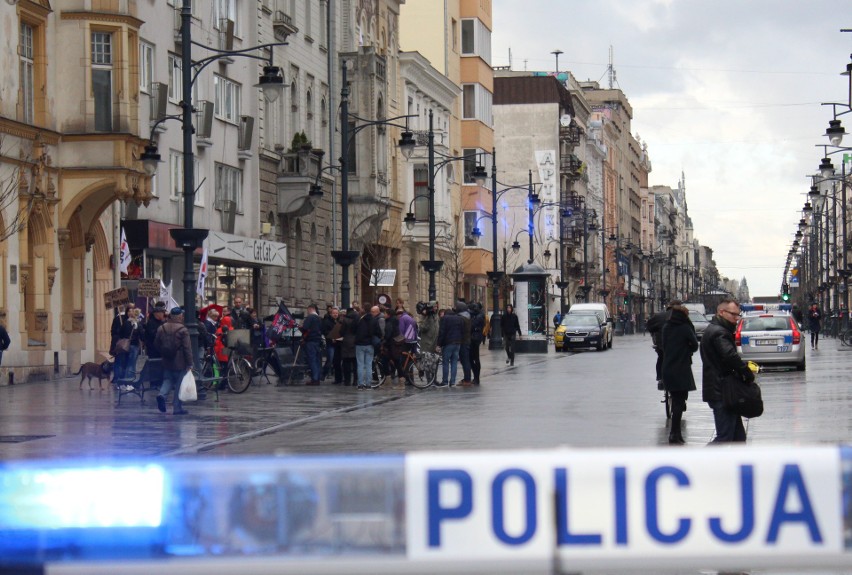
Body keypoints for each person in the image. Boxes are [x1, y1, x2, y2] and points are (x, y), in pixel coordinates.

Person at [700, 297, 754, 443]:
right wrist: (746, 372)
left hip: (723, 389)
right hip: (722, 390)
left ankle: (737, 464)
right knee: (724, 437)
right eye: (733, 314)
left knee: (738, 438)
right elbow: (730, 356)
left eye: (738, 315)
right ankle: (698, 463)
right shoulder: (720, 333)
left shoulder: (717, 329)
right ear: (722, 312)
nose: (737, 318)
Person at [661, 301, 698, 445]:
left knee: (676, 401)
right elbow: (694, 345)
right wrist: (686, 350)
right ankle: (674, 434)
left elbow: (664, 346)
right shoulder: (685, 328)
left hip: (668, 368)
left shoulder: (666, 327)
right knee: (679, 403)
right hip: (682, 368)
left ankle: (675, 434)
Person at [154, 307, 192, 415]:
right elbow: (187, 348)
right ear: (180, 316)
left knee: (168, 380)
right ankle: (177, 408)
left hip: (166, 360)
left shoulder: (162, 328)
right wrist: (190, 363)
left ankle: (162, 394)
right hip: (180, 361)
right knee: (179, 384)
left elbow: (156, 343)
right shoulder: (183, 330)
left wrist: (163, 352)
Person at [354, 305, 382, 389]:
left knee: (360, 365)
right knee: (369, 365)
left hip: (359, 344)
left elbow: (353, 329)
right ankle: (368, 384)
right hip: (370, 344)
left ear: (363, 310)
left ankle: (360, 384)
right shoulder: (374, 320)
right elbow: (379, 332)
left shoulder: (359, 319)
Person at [436, 306, 464, 387]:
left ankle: (445, 381)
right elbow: (462, 331)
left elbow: (442, 332)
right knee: (454, 362)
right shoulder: (459, 318)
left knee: (445, 362)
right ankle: (452, 382)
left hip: (448, 343)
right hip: (457, 343)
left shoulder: (444, 318)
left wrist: (439, 344)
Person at [645, 308, 670, 389]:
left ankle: (660, 378)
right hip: (677, 345)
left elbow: (649, 326)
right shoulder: (682, 316)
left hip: (661, 343)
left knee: (661, 357)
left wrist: (654, 333)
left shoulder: (659, 316)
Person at [455, 301, 473, 387]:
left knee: (465, 361)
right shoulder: (467, 316)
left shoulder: (461, 318)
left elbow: (460, 330)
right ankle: (467, 378)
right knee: (466, 361)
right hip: (467, 341)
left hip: (463, 342)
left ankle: (467, 379)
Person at [340, 308, 359, 386]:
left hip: (347, 341)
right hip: (356, 341)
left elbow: (342, 331)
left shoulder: (345, 320)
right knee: (355, 363)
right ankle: (355, 380)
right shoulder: (358, 319)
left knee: (346, 362)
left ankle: (347, 381)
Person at [469, 302, 485, 385]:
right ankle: (476, 377)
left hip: (475, 339)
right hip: (476, 338)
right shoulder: (480, 315)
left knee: (474, 358)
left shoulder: (479, 317)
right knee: (474, 358)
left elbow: (472, 326)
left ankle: (476, 377)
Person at [321, 306, 338, 380]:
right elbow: (325, 331)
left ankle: (334, 375)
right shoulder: (327, 321)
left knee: (336, 360)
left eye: (336, 313)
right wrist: (331, 337)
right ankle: (323, 374)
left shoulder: (338, 321)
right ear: (331, 314)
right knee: (330, 359)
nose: (335, 314)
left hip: (338, 343)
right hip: (330, 343)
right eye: (334, 313)